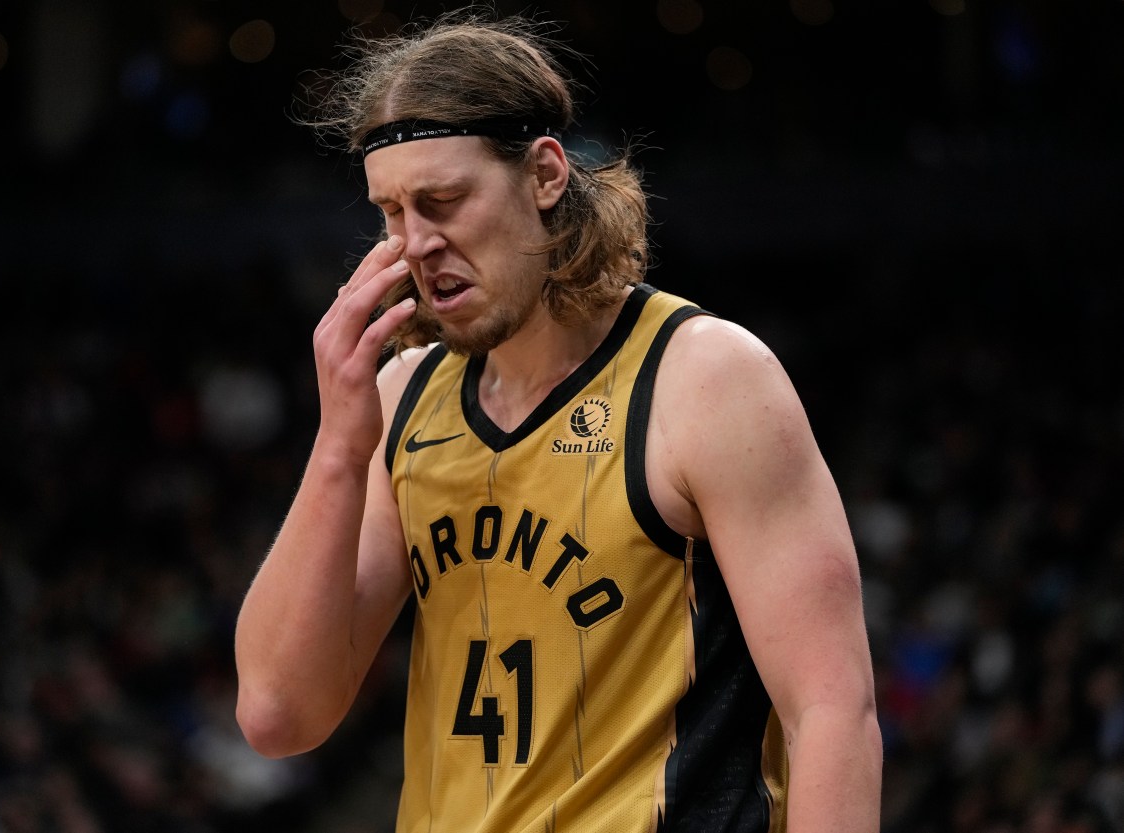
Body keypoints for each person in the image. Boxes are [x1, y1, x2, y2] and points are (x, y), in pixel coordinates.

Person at [235, 11, 882, 832]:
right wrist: (337, 447)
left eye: (444, 200)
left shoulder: (708, 380)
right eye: (393, 213)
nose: (415, 246)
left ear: (545, 174)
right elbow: (279, 714)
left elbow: (833, 716)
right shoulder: (400, 400)